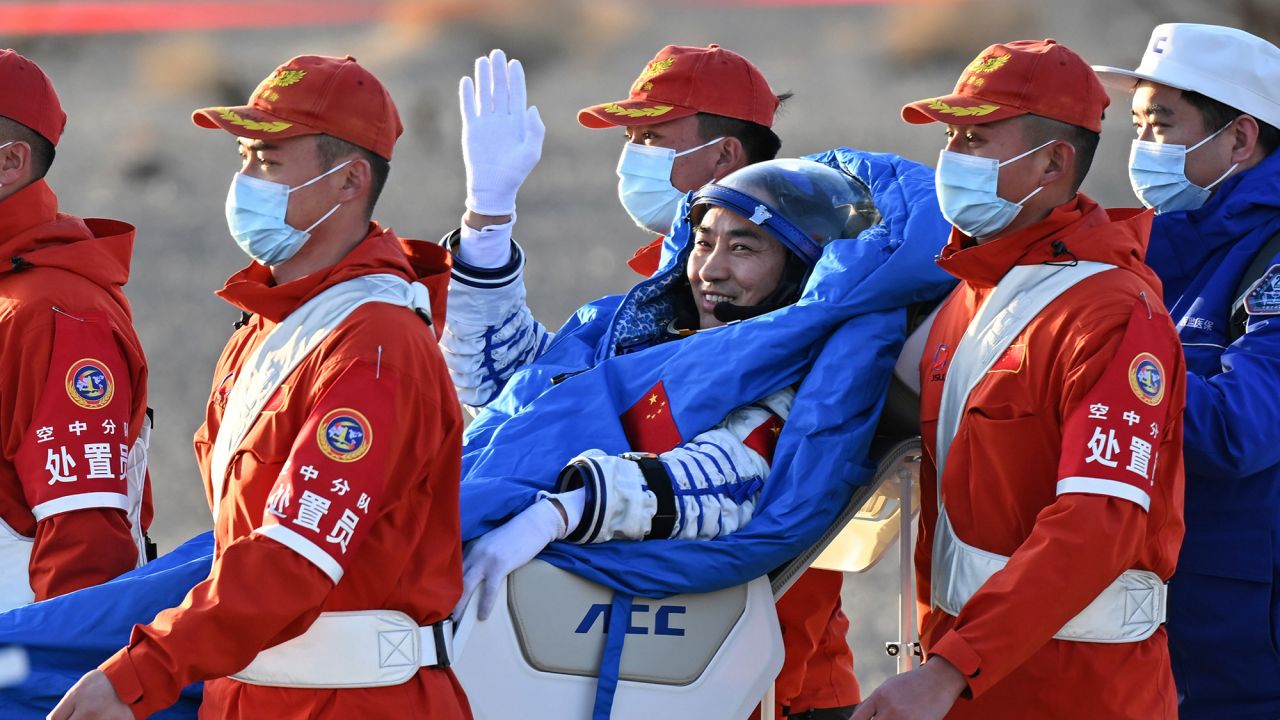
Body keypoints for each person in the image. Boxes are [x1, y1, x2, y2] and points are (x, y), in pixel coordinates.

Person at [50, 54, 469, 719]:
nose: (244, 180)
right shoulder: (270, 326)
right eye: (243, 156)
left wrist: (143, 672)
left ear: (349, 180)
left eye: (269, 160)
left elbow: (293, 556)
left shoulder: (377, 347)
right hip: (250, 694)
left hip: (356, 703)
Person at [447, 47, 860, 718]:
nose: (630, 157)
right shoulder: (651, 310)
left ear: (724, 156)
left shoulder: (797, 335)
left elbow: (730, 476)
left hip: (764, 682)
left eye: (650, 136)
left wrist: (560, 510)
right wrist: (486, 223)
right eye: (705, 243)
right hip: (620, 667)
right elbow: (514, 395)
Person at [853, 39, 1186, 720]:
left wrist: (949, 670)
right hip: (968, 682)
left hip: (1081, 692)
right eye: (950, 137)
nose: (952, 157)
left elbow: (1099, 523)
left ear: (1054, 162)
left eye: (976, 139)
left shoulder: (1113, 314)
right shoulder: (971, 292)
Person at [1093, 23, 1280, 720]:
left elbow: (1237, 431)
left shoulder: (1270, 259)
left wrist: (1097, 364)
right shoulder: (1157, 249)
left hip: (1247, 645)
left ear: (1240, 139)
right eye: (1139, 125)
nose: (1144, 146)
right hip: (1159, 617)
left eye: (1163, 125)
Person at [0, 49, 153, 612]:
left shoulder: (54, 311)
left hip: (21, 652)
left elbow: (86, 554)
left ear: (9, 162)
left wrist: (49, 661)